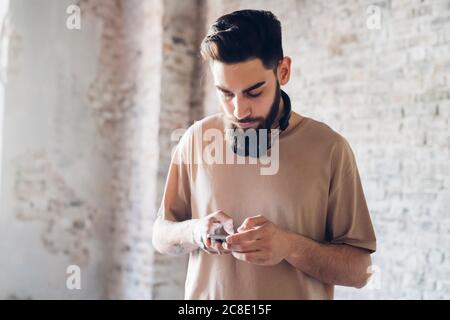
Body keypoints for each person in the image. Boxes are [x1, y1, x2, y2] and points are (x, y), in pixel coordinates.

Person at [152, 9, 377, 299]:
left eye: (254, 92)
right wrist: (195, 232)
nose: (238, 110)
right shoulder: (195, 139)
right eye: (225, 93)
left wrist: (290, 246)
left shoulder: (330, 149)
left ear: (283, 71)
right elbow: (161, 235)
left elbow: (361, 272)